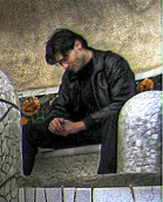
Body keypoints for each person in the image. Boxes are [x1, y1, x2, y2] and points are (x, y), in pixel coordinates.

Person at [22, 28, 136, 176]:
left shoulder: (112, 63)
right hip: (79, 133)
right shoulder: (69, 76)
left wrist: (82, 124)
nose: (64, 66)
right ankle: (19, 186)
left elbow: (122, 103)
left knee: (113, 118)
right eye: (60, 63)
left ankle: (105, 184)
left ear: (78, 45)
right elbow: (60, 105)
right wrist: (54, 120)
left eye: (65, 59)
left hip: (106, 130)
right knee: (29, 131)